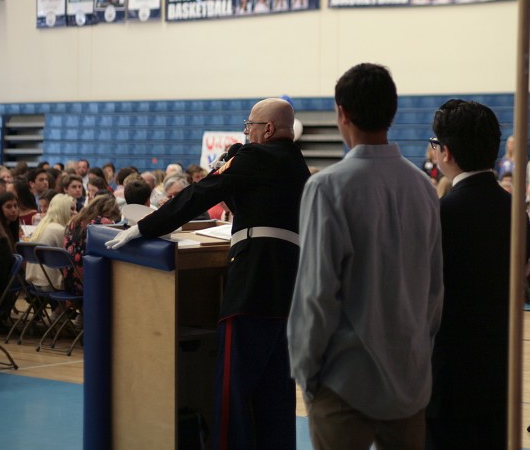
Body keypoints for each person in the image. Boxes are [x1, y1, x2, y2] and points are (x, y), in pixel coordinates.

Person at [107, 98, 310, 450]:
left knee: (232, 389)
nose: (247, 134)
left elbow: (201, 193)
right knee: (275, 394)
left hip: (251, 286)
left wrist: (145, 228)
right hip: (289, 293)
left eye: (250, 127)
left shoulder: (255, 158)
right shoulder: (298, 165)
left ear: (269, 129)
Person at [289, 63, 443, 450]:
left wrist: (306, 375)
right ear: (392, 112)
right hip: (408, 378)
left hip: (345, 383)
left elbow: (316, 295)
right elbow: (433, 292)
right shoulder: (423, 187)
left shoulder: (327, 187)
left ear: (342, 112)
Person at [426, 99, 530, 449]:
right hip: (502, 368)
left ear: (446, 152)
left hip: (450, 372)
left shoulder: (442, 213)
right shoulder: (517, 212)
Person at [63, 194, 120, 296]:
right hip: (89, 283)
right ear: (110, 211)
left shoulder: (74, 220)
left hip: (69, 281)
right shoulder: (103, 223)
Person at [26, 193, 75, 290]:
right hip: (51, 283)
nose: (76, 212)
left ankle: (57, 306)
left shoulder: (41, 226)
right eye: (72, 209)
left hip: (33, 281)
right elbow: (71, 258)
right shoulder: (60, 230)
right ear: (63, 210)